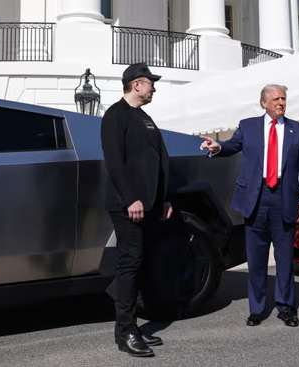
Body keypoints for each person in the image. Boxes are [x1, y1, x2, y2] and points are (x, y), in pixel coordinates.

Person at [199, 84, 299, 327]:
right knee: (257, 257)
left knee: (284, 258)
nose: (281, 103)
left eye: (283, 98)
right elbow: (232, 146)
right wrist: (217, 147)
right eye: (275, 99)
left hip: (284, 196)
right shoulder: (248, 126)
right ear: (264, 103)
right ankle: (257, 308)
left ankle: (286, 307)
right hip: (255, 197)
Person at [100, 62, 173, 358]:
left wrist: (165, 198)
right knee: (129, 266)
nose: (154, 87)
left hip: (150, 205)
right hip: (127, 205)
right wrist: (131, 198)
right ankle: (125, 331)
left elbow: (160, 158)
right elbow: (115, 162)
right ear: (137, 84)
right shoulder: (115, 115)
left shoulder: (144, 117)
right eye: (150, 83)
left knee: (139, 264)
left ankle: (131, 325)